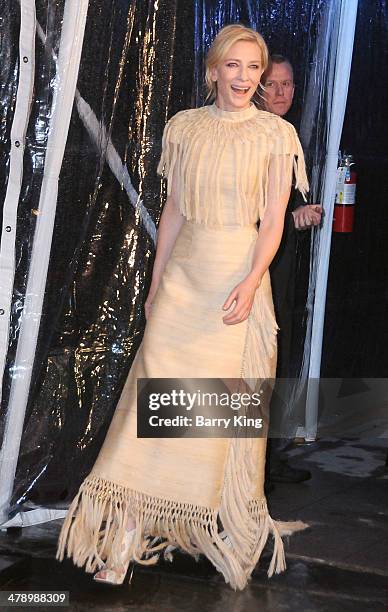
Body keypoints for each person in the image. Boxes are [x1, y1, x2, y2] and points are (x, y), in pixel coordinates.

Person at [56, 25, 309, 592]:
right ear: (214, 70)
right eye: (234, 66)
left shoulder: (275, 135)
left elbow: (272, 223)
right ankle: (122, 543)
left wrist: (251, 281)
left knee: (220, 425)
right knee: (147, 417)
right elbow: (172, 212)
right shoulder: (185, 127)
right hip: (182, 284)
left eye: (254, 68)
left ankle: (224, 537)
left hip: (235, 285)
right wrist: (155, 282)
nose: (245, 78)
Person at [261, 55, 322, 484]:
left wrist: (301, 211)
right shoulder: (258, 133)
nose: (282, 93)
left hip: (278, 264)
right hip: (251, 264)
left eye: (289, 84)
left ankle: (267, 457)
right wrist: (292, 215)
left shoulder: (287, 134)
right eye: (273, 84)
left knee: (275, 357)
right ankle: (253, 467)